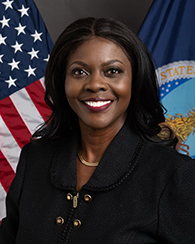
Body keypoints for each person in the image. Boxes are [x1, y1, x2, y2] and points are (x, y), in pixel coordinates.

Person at [0, 17, 195, 244]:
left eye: (112, 71)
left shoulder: (174, 174)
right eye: (79, 72)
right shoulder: (34, 160)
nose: (95, 84)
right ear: (62, 82)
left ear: (135, 81)